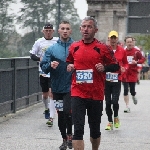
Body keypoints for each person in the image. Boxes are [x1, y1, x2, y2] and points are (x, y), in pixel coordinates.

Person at [66, 16, 120, 150]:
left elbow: (116, 66)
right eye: (84, 26)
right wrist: (70, 66)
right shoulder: (74, 47)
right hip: (77, 92)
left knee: (94, 130)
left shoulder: (103, 48)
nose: (86, 29)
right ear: (80, 29)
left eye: (89, 27)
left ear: (95, 30)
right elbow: (69, 61)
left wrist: (105, 68)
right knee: (77, 130)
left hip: (95, 94)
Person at [40, 21, 74, 150]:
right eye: (62, 29)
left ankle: (70, 135)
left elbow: (83, 64)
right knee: (61, 114)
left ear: (70, 31)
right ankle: (64, 139)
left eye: (67, 29)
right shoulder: (52, 49)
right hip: (57, 86)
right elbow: (43, 67)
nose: (65, 31)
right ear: (58, 31)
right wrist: (50, 65)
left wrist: (75, 66)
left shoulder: (76, 47)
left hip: (72, 86)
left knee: (68, 111)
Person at [30, 23, 57, 120]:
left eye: (50, 30)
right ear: (43, 31)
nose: (48, 32)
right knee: (45, 95)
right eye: (46, 31)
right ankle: (46, 108)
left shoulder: (57, 41)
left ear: (53, 31)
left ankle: (51, 117)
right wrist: (40, 59)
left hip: (53, 72)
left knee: (51, 93)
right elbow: (32, 55)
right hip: (43, 71)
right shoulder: (39, 42)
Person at [105, 30, 128, 130]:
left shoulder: (122, 50)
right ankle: (110, 122)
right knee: (108, 102)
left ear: (117, 39)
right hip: (106, 79)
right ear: (108, 39)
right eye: (111, 38)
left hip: (117, 79)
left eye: (115, 38)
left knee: (115, 101)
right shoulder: (105, 50)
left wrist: (124, 68)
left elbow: (126, 63)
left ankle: (116, 117)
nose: (113, 40)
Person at [123, 36, 145, 113]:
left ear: (133, 42)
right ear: (126, 43)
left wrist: (137, 62)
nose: (130, 43)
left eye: (131, 42)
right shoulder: (123, 51)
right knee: (125, 90)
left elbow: (142, 59)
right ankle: (127, 106)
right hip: (125, 73)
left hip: (133, 73)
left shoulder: (136, 51)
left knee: (132, 90)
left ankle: (133, 95)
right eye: (128, 42)